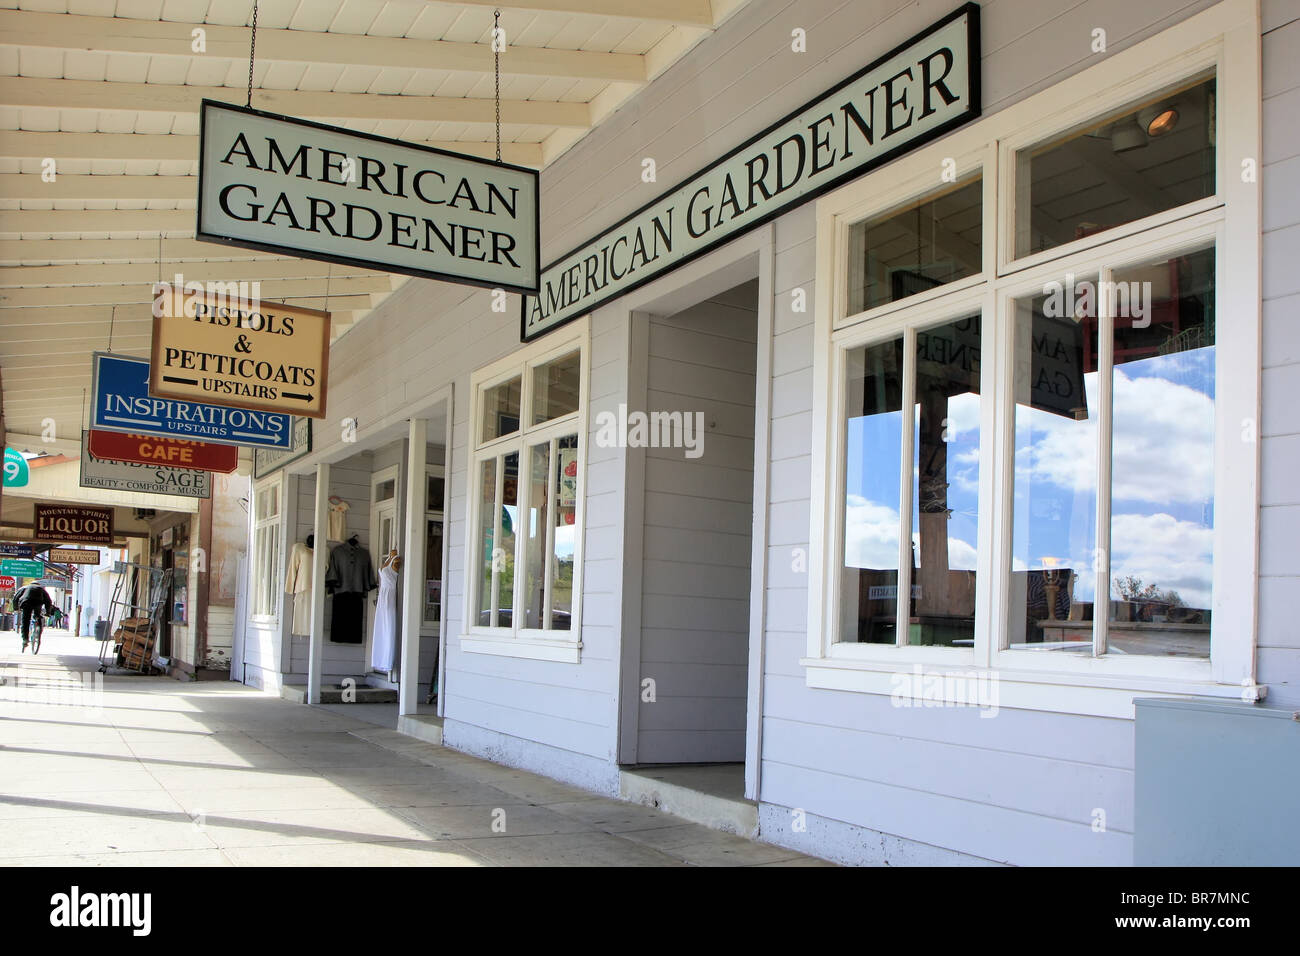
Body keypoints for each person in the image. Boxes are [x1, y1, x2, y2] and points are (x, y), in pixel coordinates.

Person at [14, 583, 53, 650]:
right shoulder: (41, 589)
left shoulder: (24, 588)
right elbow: (48, 601)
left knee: (25, 621)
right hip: (38, 602)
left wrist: (16, 608)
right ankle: (38, 629)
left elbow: (16, 598)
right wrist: (48, 613)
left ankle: (25, 639)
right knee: (38, 616)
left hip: (26, 602)